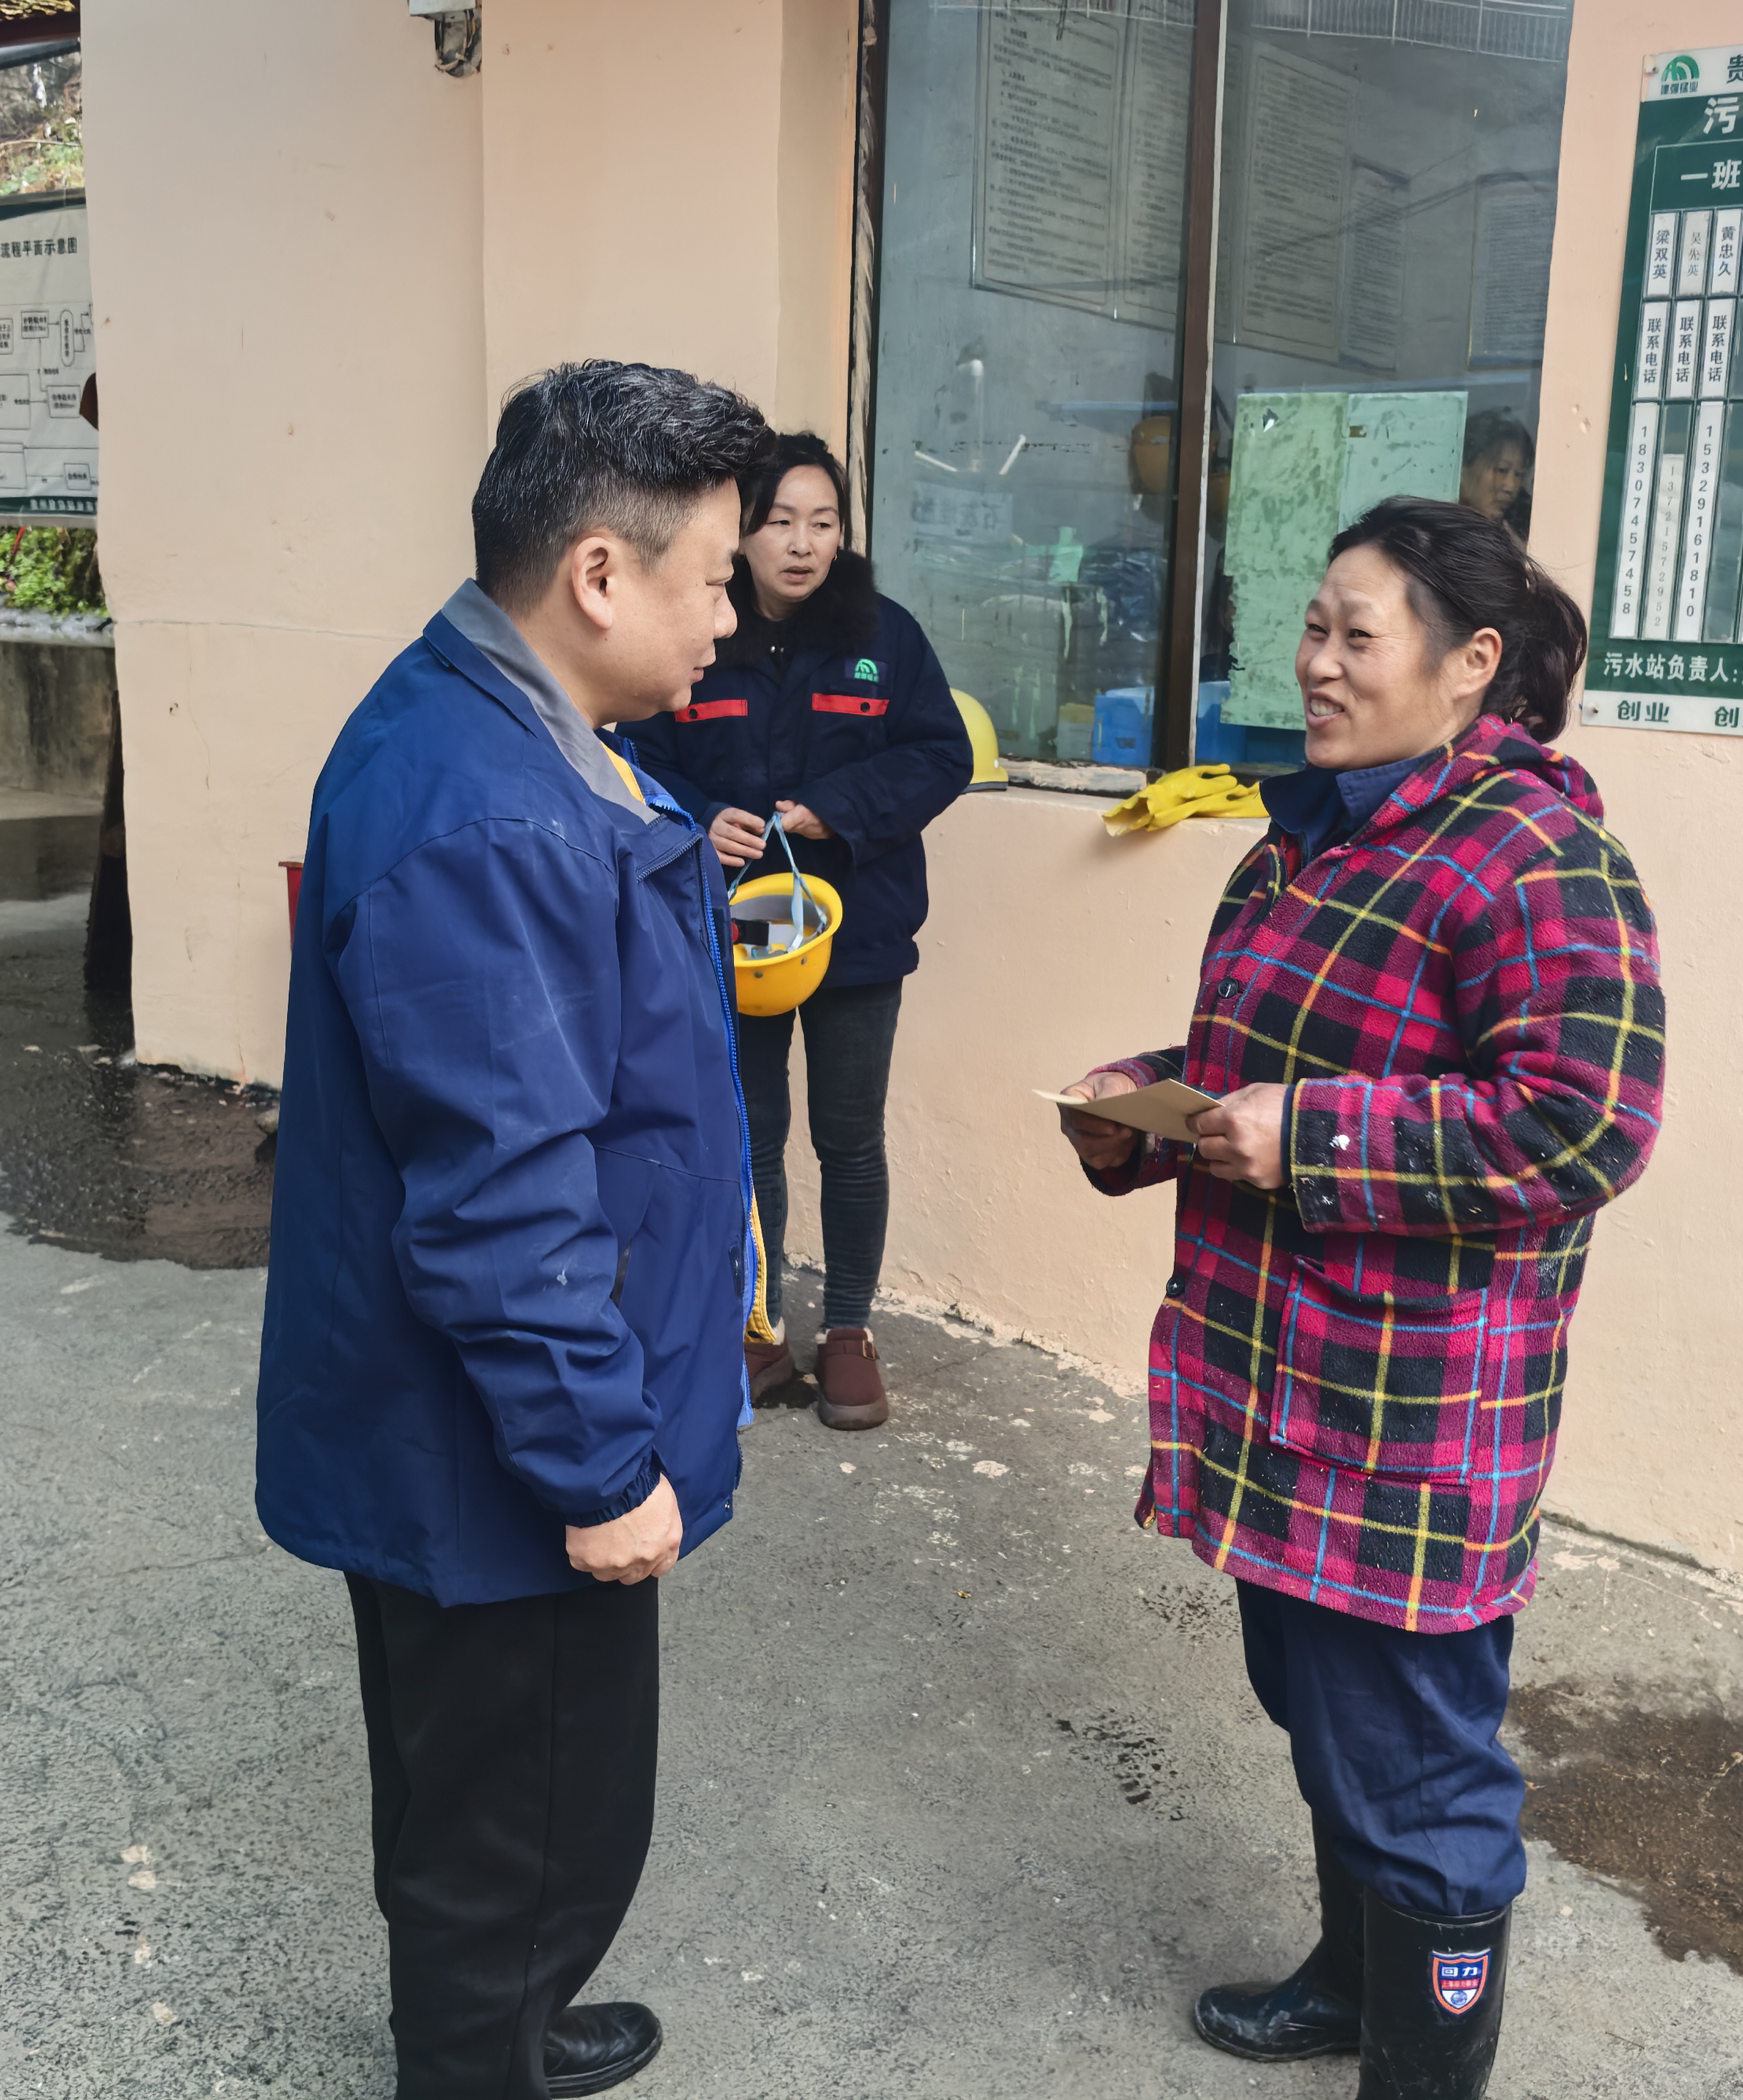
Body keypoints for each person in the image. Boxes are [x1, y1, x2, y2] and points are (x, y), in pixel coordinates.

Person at [1057, 498, 1665, 2100]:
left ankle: (1425, 2067)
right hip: (1274, 1384)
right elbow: (1269, 1063)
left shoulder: (1536, 857)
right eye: (1311, 629)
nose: (1316, 665)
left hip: (1405, 1417)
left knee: (1416, 1766)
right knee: (1325, 1719)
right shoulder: (1308, 837)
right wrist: (1149, 1106)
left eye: (1356, 635)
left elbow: (1586, 1123)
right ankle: (1356, 1981)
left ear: (1470, 664)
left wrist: (1314, 1138)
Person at [257, 360, 773, 2099]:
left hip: (483, 1432)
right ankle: (484, 2049)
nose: (729, 617)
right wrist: (599, 1466)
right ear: (599, 575)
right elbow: (501, 1200)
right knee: (521, 1832)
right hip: (501, 1459)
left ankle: (509, 2028)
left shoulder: (517, 734)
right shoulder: (484, 811)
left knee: (494, 1804)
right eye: (714, 578)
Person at [620, 431, 971, 1431]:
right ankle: (758, 1328)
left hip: (855, 936)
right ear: (743, 530)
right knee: (752, 1135)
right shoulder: (697, 628)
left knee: (849, 1138)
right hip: (738, 936)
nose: (803, 544)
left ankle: (849, 1329)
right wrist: (698, 817)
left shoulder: (886, 637)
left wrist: (836, 807)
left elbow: (940, 755)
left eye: (823, 522)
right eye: (780, 521)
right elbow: (633, 750)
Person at [1454, 410, 1535, 542]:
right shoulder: (1435, 529)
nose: (1511, 486)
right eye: (1501, 470)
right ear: (1464, 467)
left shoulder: (1512, 537)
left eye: (1519, 475)